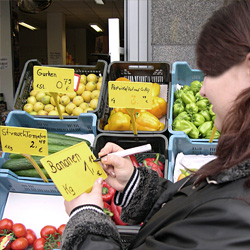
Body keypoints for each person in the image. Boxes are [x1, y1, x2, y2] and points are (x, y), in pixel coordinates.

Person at [61, 1, 250, 249]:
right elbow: (191, 209)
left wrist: (85, 220)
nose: (202, 90)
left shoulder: (236, 218)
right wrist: (134, 183)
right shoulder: (238, 174)